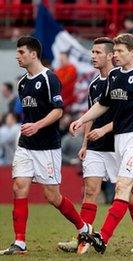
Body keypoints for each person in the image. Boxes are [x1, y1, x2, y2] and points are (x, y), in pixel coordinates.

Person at [69, 33, 133, 256]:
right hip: (121, 138)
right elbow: (103, 104)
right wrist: (81, 120)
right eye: (114, 51)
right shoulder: (115, 75)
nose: (115, 55)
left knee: (122, 186)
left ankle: (102, 236)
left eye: (119, 51)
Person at [57, 37, 133, 254]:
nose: (93, 56)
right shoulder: (94, 85)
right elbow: (91, 114)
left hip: (120, 144)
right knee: (90, 191)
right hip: (96, 146)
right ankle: (83, 237)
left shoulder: (122, 80)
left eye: (98, 53)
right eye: (92, 52)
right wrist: (85, 142)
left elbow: (126, 114)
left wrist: (106, 129)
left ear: (111, 55)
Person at [0, 36, 91, 255]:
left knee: (52, 197)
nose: (17, 56)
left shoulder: (50, 78)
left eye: (21, 52)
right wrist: (29, 127)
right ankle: (19, 242)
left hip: (47, 147)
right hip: (26, 145)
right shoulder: (22, 83)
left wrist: (37, 125)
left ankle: (83, 227)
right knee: (18, 186)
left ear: (33, 54)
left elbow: (58, 110)